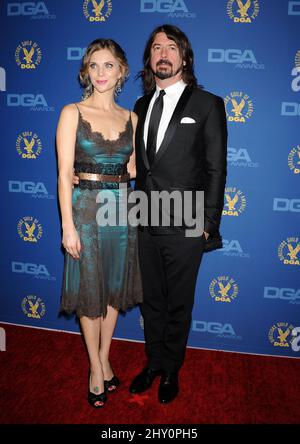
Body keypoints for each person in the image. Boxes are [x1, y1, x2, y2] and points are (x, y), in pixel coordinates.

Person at [129, 25, 227, 403]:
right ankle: (153, 362)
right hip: (144, 216)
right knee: (151, 299)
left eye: (171, 47)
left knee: (178, 302)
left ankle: (171, 369)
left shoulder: (207, 104)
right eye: (156, 48)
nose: (163, 54)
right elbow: (141, 166)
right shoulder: (141, 105)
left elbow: (217, 169)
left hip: (187, 220)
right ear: (150, 59)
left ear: (184, 57)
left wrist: (207, 223)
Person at [56, 38, 142, 408]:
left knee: (111, 293)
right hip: (85, 213)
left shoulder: (132, 118)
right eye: (94, 65)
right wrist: (67, 226)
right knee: (91, 293)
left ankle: (105, 358)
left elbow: (134, 169)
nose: (101, 73)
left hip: (122, 212)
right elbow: (62, 175)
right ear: (85, 71)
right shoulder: (72, 112)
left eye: (109, 65)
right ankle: (95, 368)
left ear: (121, 71)